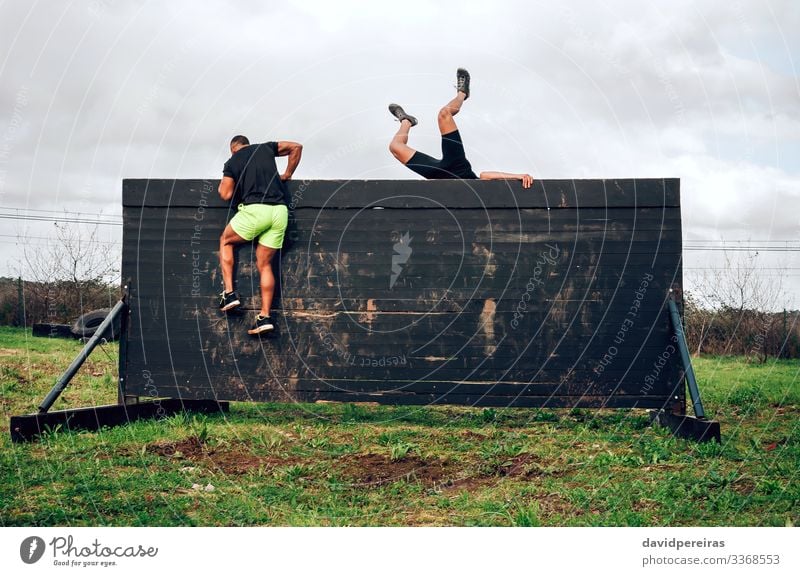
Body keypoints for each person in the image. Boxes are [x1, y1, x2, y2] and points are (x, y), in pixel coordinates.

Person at [388, 68, 533, 188]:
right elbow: (484, 175)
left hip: (438, 177)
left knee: (395, 147)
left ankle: (406, 121)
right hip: (459, 168)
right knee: (444, 114)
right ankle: (462, 93)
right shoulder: (479, 184)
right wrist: (518, 176)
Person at [217, 135, 303, 335]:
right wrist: (287, 174)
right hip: (279, 212)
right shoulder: (265, 148)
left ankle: (229, 294)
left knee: (226, 241)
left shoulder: (233, 160)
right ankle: (264, 317)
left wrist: (233, 176)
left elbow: (225, 194)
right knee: (265, 265)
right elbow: (296, 147)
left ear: (233, 149)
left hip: (256, 210)